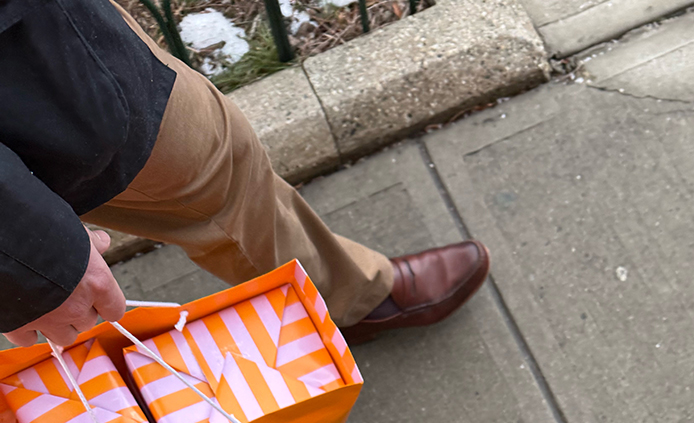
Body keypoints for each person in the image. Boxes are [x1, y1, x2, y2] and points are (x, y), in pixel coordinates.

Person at [0, 0, 490, 350]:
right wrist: (35, 263)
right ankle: (347, 302)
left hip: (40, 46)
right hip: (38, 86)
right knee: (222, 189)